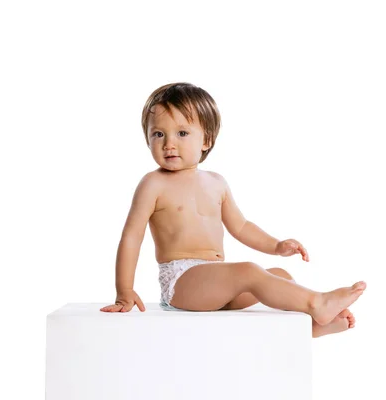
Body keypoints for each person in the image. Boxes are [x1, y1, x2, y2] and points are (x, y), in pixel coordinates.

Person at [100, 82, 366, 338]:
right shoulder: (153, 183)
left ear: (207, 139)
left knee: (279, 276)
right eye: (158, 133)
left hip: (216, 283)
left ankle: (307, 328)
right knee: (249, 271)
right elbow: (131, 237)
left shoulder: (216, 183)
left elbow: (241, 226)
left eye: (182, 133)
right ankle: (317, 302)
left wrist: (277, 246)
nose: (169, 143)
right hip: (181, 283)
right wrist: (124, 289)